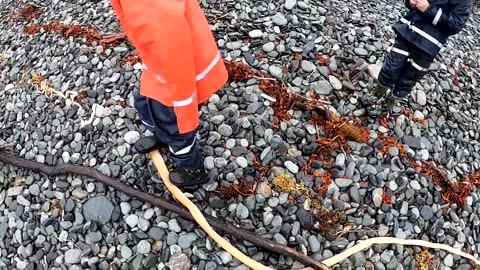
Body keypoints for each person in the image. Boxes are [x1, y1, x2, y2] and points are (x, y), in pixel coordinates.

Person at [111, 0, 228, 187]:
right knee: (144, 101)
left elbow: (178, 61)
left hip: (179, 70)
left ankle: (192, 168)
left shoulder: (158, 13)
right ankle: (162, 135)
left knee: (175, 125)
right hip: (159, 60)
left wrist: (183, 108)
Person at [362, 0, 473, 116]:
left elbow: (456, 24)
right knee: (390, 67)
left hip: (428, 46)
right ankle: (376, 94)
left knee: (409, 78)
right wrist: (411, 3)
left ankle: (388, 104)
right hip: (407, 33)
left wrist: (428, 9)